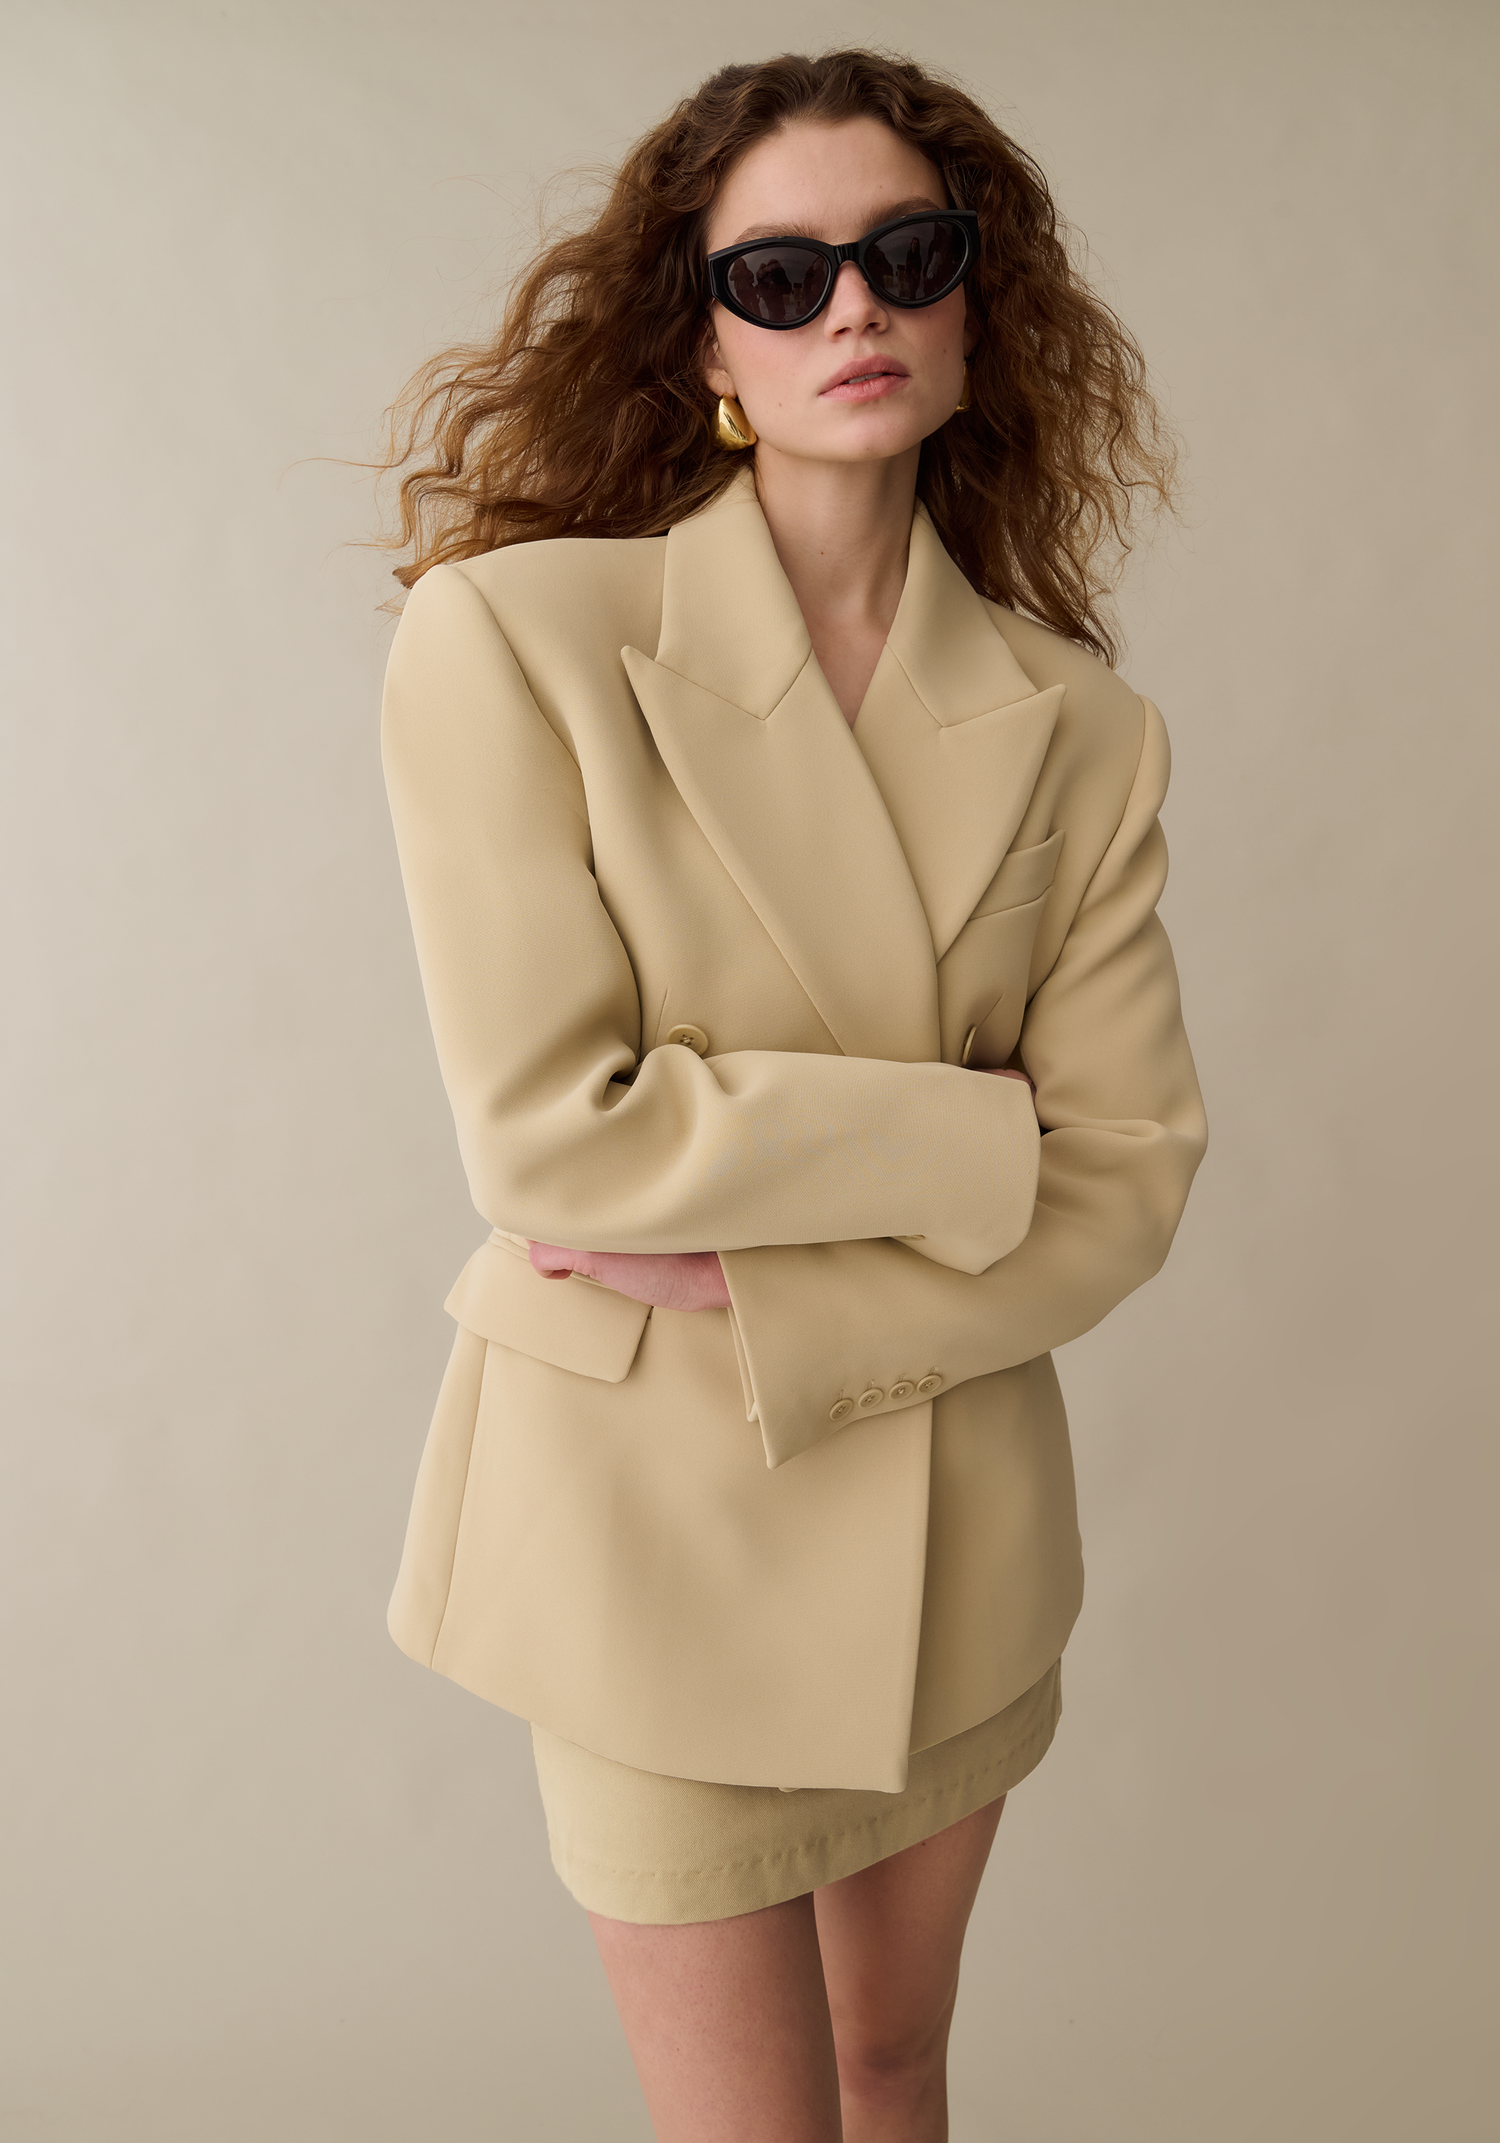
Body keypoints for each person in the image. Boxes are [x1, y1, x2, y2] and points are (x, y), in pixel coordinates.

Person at [375, 47, 1207, 2143]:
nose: (854, 307)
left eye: (907, 255)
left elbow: (1126, 1175)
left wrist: (769, 1251)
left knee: (896, 2071)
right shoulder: (513, 643)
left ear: (974, 304)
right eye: (781, 272)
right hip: (643, 1522)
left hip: (955, 1517)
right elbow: (552, 1137)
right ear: (704, 337)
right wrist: (977, 1137)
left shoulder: (1084, 729)